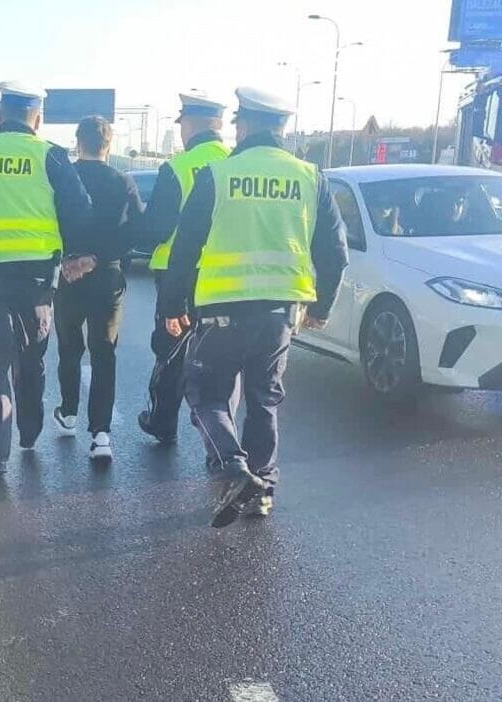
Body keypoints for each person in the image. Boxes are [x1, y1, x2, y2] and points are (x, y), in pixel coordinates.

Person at [158, 87, 349, 528]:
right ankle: (262, 490)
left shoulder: (217, 176)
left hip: (222, 310)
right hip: (280, 313)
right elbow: (335, 253)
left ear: (242, 125)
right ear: (282, 128)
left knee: (207, 395)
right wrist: (320, 307)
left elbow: (185, 248)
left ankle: (233, 468)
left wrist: (173, 303)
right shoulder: (310, 177)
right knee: (264, 399)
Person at [0, 81, 93, 476]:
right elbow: (79, 214)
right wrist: (71, 253)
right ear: (37, 118)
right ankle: (28, 431)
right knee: (31, 358)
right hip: (36, 277)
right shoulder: (50, 156)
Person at [136, 94, 232, 449]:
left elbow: (158, 229)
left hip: (180, 274)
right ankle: (223, 435)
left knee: (171, 350)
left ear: (190, 126)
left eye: (183, 125)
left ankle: (163, 421)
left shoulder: (177, 168)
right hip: (228, 279)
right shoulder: (235, 165)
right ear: (219, 125)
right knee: (223, 357)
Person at [52, 116, 144, 461]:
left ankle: (69, 412)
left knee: (69, 347)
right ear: (108, 145)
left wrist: (69, 261)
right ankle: (101, 434)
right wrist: (96, 259)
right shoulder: (122, 181)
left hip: (67, 275)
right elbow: (136, 231)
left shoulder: (64, 178)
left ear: (78, 142)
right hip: (106, 276)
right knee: (103, 352)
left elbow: (48, 220)